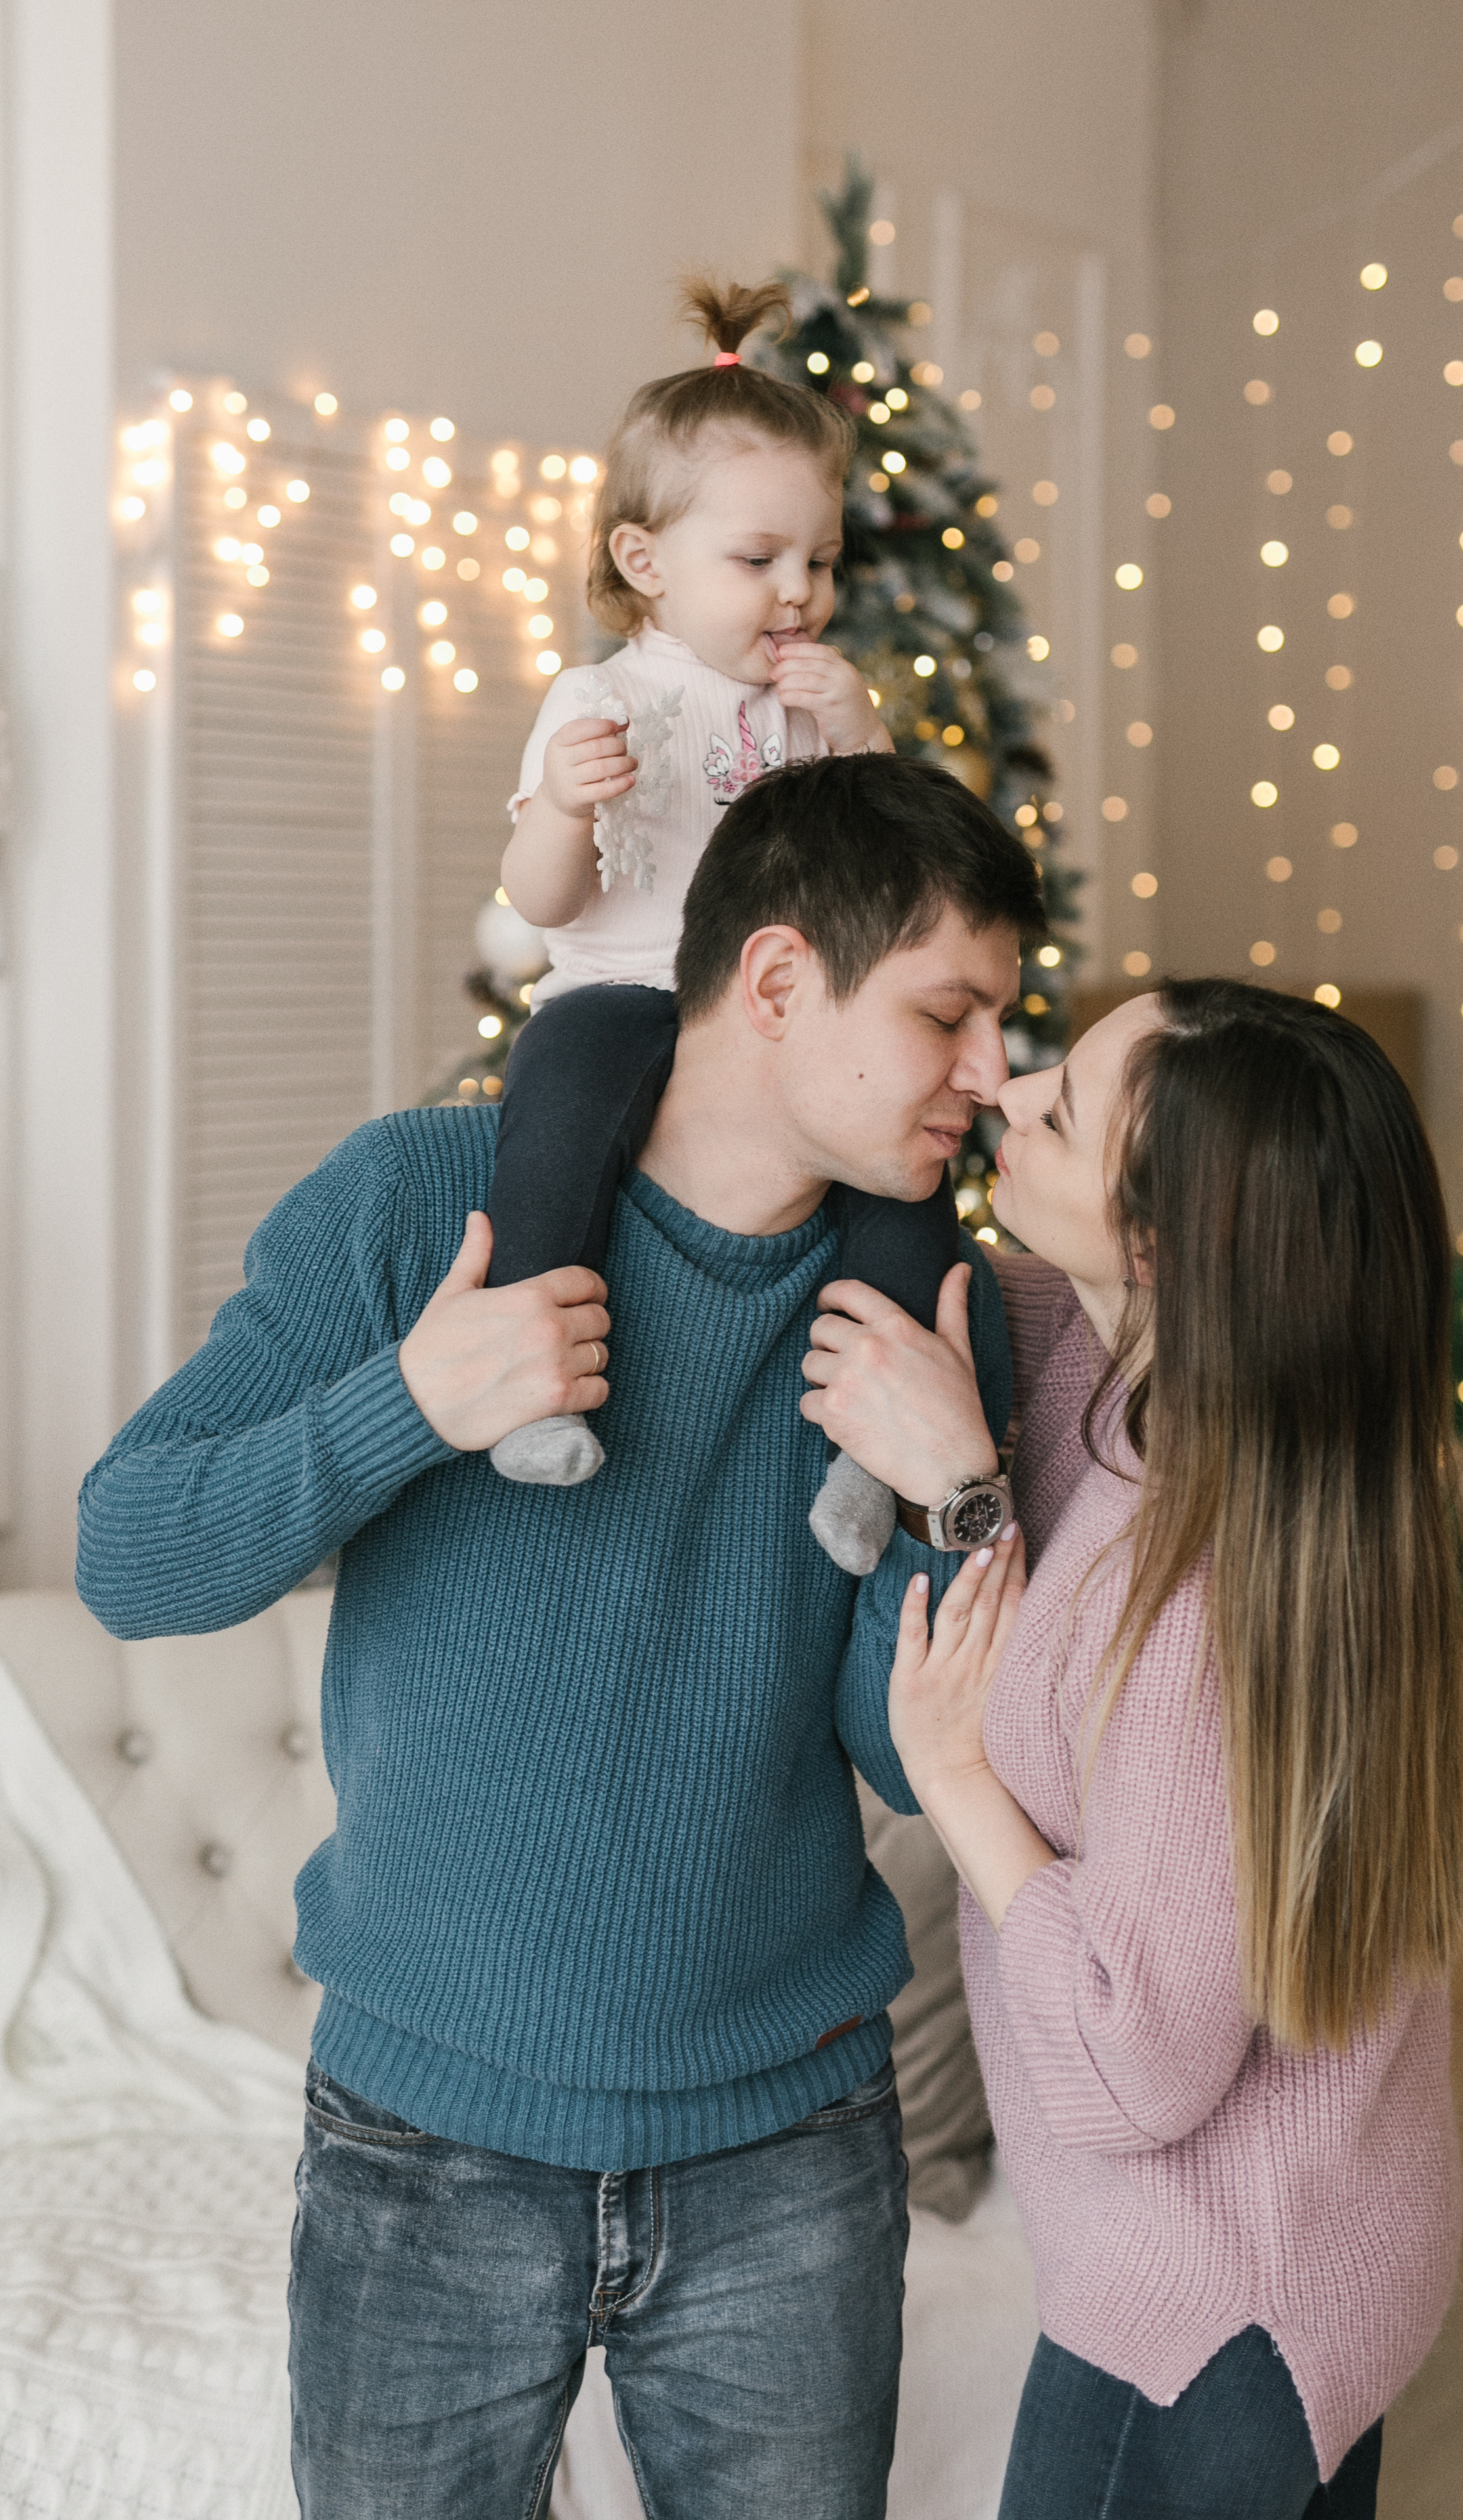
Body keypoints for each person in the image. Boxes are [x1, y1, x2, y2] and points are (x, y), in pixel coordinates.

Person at [76, 750, 1043, 2520]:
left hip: (789, 2151)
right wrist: (411, 1401)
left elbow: (908, 1757)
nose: (991, 1073)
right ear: (775, 978)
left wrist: (952, 1494)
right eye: (946, 1014)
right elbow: (131, 1556)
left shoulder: (923, 1324)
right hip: (420, 2143)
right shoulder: (418, 1203)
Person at [801, 978, 1463, 2520]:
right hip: (1312, 2248)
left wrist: (957, 1780)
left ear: (1165, 1246)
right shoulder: (1139, 1372)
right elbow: (893, 1248)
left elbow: (1134, 2069)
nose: (1006, 1093)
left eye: (1057, 1113)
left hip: (1208, 2311)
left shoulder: (1206, 1599)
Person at [489, 271, 946, 1579]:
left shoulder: (813, 708)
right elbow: (541, 902)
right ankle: (533, 1380)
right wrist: (563, 808)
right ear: (646, 562)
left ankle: (875, 1454)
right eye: (758, 561)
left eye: (821, 561)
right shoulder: (598, 700)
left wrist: (862, 737)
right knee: (558, 1109)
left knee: (905, 1182)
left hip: (785, 1022)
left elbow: (897, 869)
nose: (798, 592)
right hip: (628, 992)